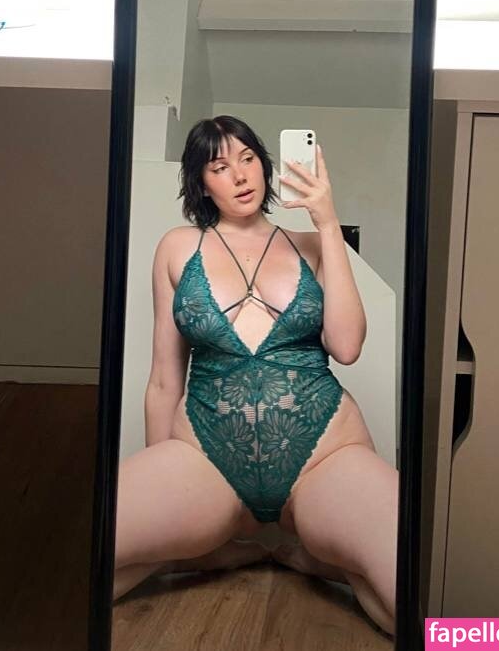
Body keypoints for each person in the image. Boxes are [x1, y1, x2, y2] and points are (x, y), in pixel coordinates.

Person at [113, 115, 398, 636]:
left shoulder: (312, 244)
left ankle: (325, 561)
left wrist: (328, 222)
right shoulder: (178, 247)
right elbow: (164, 380)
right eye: (220, 167)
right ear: (202, 182)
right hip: (204, 459)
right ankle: (202, 552)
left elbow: (347, 346)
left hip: (325, 459)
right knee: (76, 563)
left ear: (265, 166)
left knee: (418, 603)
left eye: (247, 159)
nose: (240, 176)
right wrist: (166, 500)